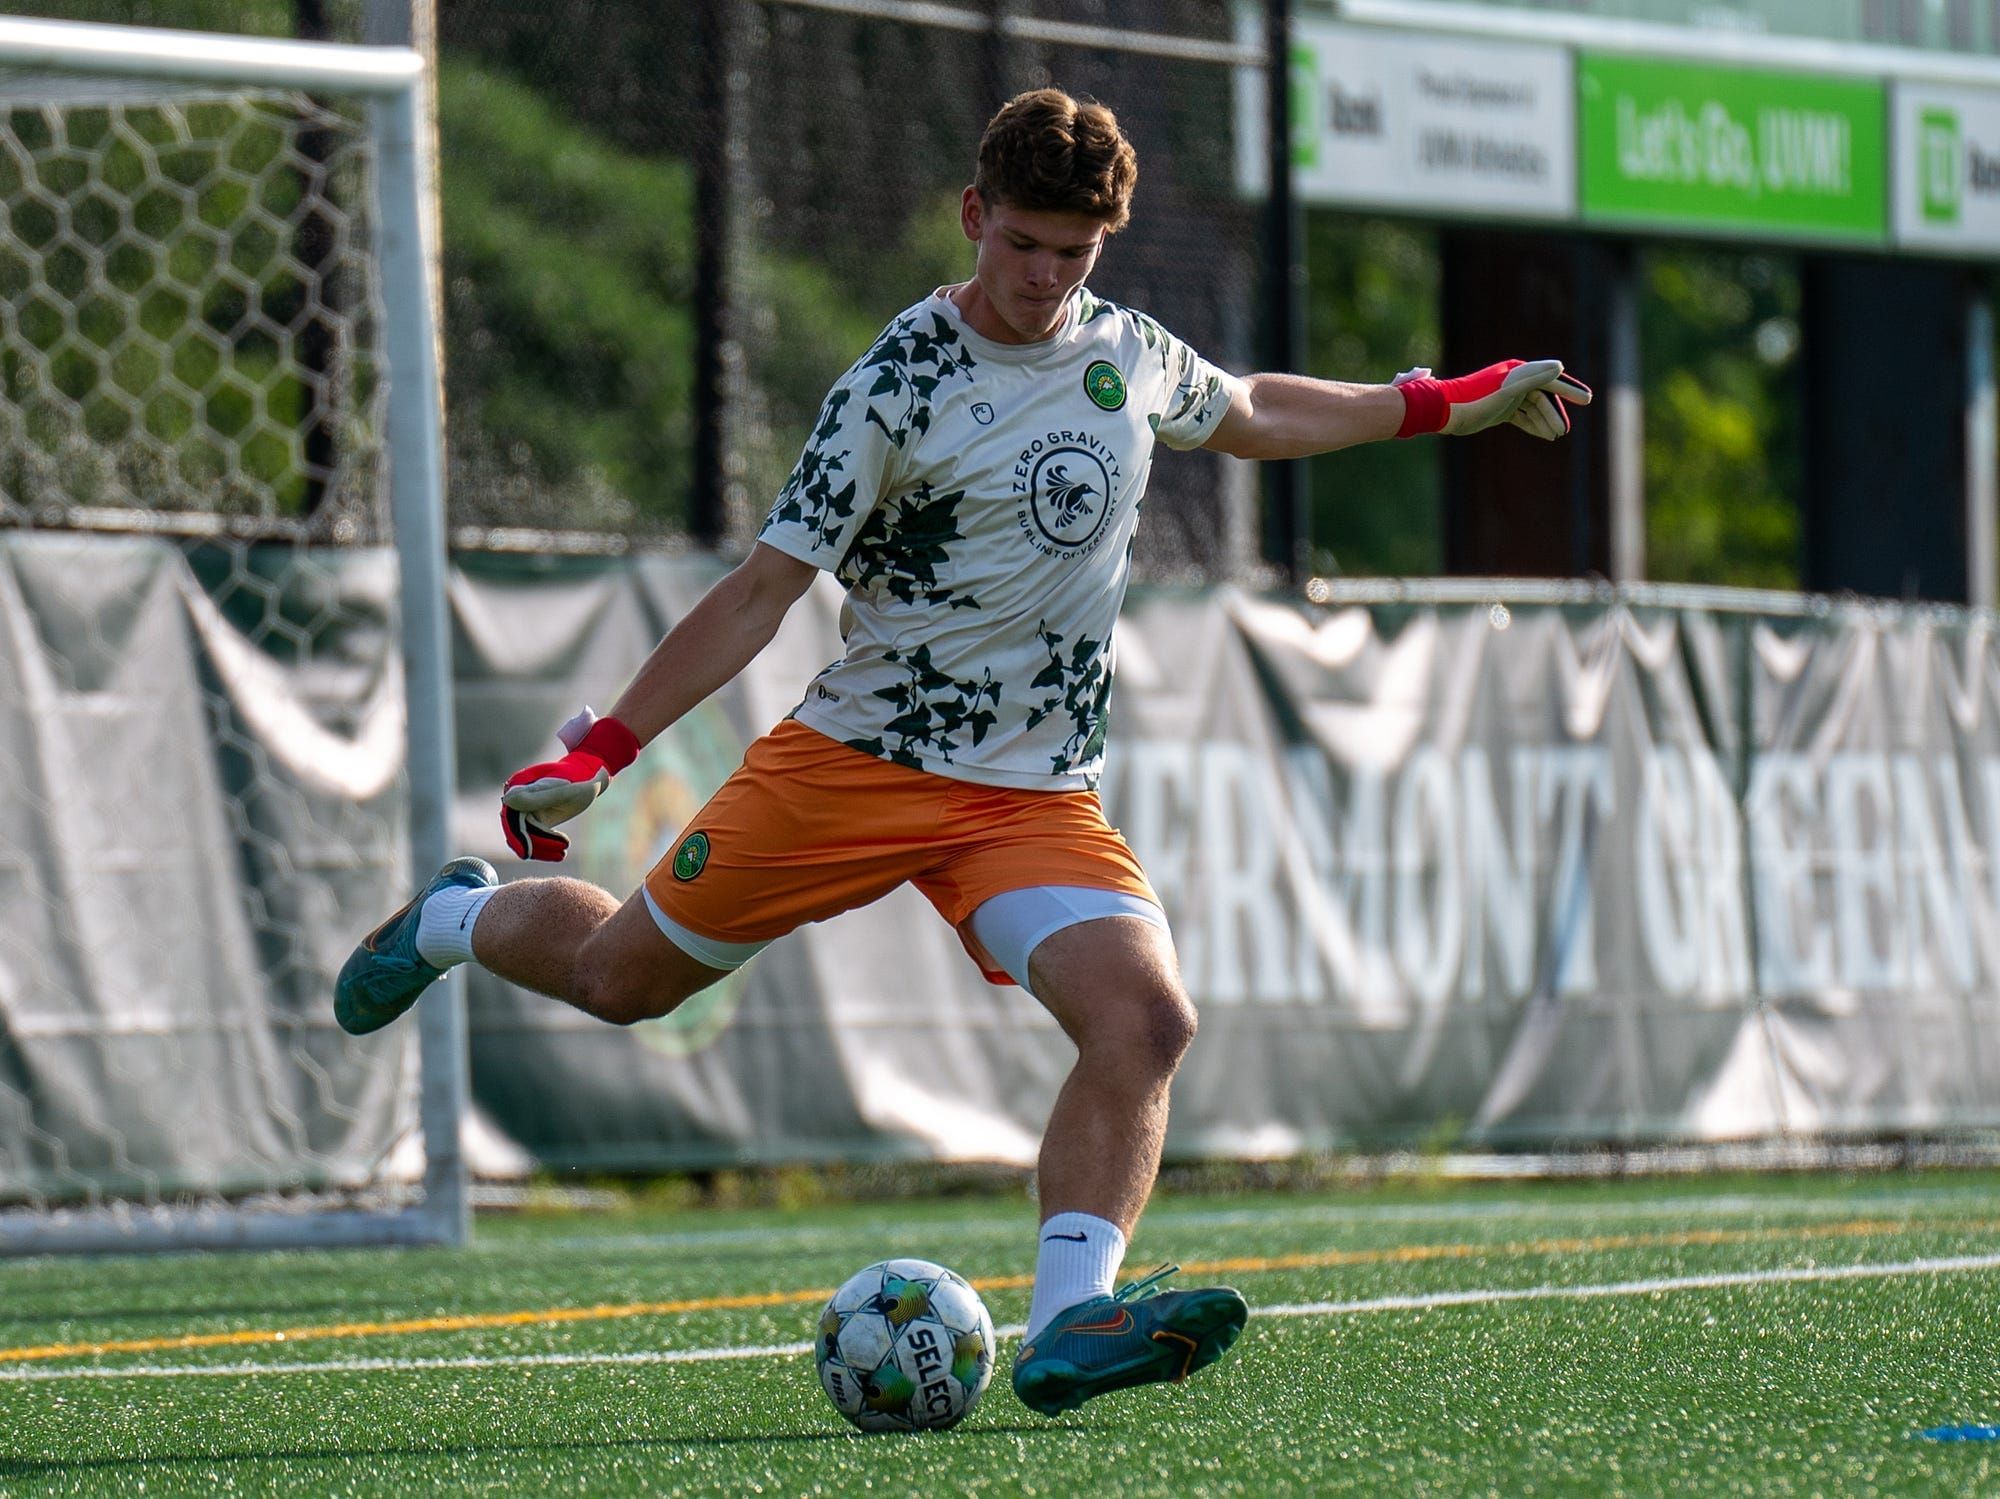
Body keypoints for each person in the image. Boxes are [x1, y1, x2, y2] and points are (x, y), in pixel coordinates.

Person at [335, 87, 1589, 1416]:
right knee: (617, 977)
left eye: (1076, 253)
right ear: (975, 216)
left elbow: (1252, 411)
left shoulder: (1125, 350)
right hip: (856, 767)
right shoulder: (897, 384)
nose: (1047, 280)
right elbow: (763, 591)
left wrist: (1449, 402)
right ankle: (459, 922)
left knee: (1146, 1019)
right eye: (1026, 246)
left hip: (1032, 795)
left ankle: (1069, 1320)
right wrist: (603, 752)